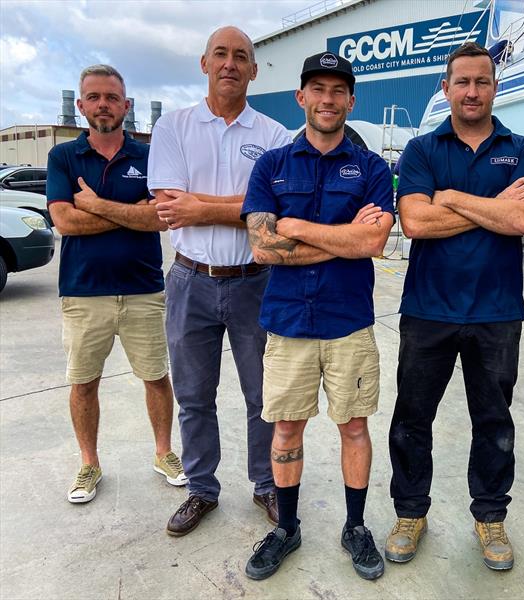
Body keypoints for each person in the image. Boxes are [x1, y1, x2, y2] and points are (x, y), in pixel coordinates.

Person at [385, 42, 524, 571]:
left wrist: (449, 197)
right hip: (428, 309)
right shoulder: (423, 148)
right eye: (463, 82)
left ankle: (490, 515)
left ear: (495, 87)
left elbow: (523, 222)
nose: (472, 91)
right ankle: (410, 512)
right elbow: (416, 223)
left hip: (497, 312)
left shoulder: (521, 148)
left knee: (494, 420)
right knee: (412, 418)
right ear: (446, 88)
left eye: (482, 82)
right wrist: (493, 207)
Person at [241, 51, 394, 582]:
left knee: (354, 426)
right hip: (288, 323)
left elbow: (374, 240)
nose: (327, 99)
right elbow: (261, 246)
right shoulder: (272, 166)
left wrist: (298, 227)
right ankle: (287, 527)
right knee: (285, 431)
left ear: (351, 100)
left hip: (348, 320)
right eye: (317, 89)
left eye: (338, 90)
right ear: (300, 97)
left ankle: (355, 526)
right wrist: (343, 239)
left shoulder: (372, 168)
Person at [147, 26, 292, 536]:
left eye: (242, 57)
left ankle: (266, 485)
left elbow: (272, 215)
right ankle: (202, 489)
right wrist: (240, 208)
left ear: (254, 70)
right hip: (192, 282)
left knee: (263, 395)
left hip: (257, 281)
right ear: (204, 63)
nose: (230, 63)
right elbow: (170, 207)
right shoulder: (174, 128)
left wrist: (201, 205)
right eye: (221, 55)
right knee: (193, 395)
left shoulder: (274, 136)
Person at [47, 64, 186, 504]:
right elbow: (65, 221)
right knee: (84, 383)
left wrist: (96, 204)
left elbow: (157, 218)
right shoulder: (63, 158)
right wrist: (127, 212)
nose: (103, 104)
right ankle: (89, 463)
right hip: (84, 292)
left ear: (127, 106)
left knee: (156, 377)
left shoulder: (149, 157)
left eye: (112, 97)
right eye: (94, 96)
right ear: (82, 105)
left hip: (143, 289)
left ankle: (164, 452)